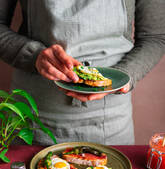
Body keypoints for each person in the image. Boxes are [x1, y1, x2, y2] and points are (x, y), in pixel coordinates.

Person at [0, 0, 165, 145]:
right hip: (32, 116)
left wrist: (121, 76)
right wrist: (33, 55)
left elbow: (155, 37)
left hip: (109, 123)